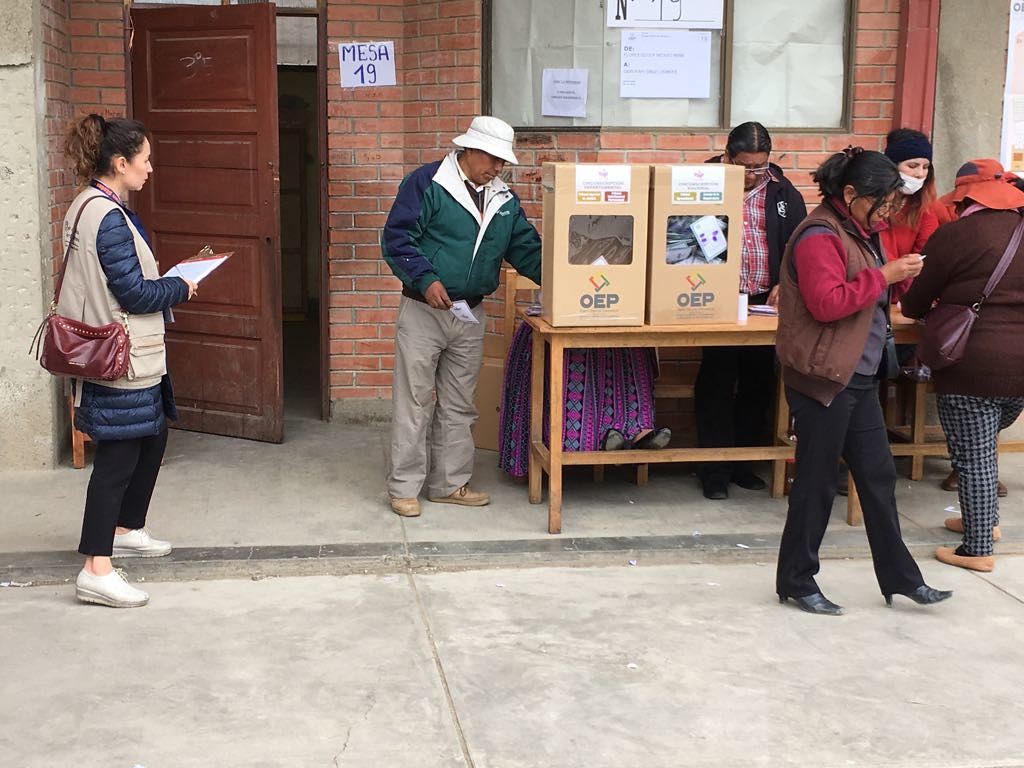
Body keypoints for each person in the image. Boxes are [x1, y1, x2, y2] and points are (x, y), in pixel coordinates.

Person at [774, 147, 952, 615]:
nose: (888, 212)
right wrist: (885, 274)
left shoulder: (861, 231)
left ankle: (901, 578)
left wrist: (900, 277)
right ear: (850, 194)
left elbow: (871, 289)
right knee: (814, 483)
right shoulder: (818, 234)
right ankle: (797, 580)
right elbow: (827, 303)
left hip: (859, 372)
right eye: (883, 202)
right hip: (824, 378)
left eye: (892, 203)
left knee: (877, 476)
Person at [62, 114, 197, 608]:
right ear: (121, 163)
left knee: (152, 434)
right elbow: (135, 293)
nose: (150, 169)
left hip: (125, 351)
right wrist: (182, 284)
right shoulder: (108, 217)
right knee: (117, 458)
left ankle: (125, 528)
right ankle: (95, 567)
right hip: (121, 355)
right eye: (144, 160)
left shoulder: (87, 205)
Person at [381, 116, 542, 517]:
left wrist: (568, 276)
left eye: (503, 162)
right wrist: (424, 278)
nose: (499, 168)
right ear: (469, 150)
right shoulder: (428, 182)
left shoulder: (504, 199)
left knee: (459, 405)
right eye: (493, 159)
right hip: (423, 310)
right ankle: (403, 488)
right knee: (414, 403)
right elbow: (398, 237)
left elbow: (527, 250)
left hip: (469, 312)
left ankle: (449, 484)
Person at [901, 159, 1024, 573]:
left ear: (965, 197)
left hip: (971, 361)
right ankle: (984, 523)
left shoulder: (954, 235)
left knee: (974, 457)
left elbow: (915, 303)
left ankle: (977, 549)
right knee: (985, 449)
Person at [696, 122, 807, 499]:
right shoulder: (704, 182)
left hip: (763, 301)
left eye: (759, 166)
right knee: (717, 379)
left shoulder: (781, 190)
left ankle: (744, 464)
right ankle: (714, 470)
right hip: (716, 299)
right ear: (727, 156)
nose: (752, 174)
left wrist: (785, 282)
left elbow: (798, 244)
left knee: (758, 382)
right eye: (745, 166)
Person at [498, 324, 669, 479]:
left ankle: (635, 433)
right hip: (564, 322)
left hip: (619, 320)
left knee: (633, 346)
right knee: (574, 351)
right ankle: (600, 438)